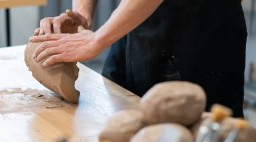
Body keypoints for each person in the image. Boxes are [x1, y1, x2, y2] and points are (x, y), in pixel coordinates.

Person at [30, 0, 247, 117]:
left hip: (199, 30)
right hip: (135, 23)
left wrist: (95, 41)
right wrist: (80, 18)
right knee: (122, 123)